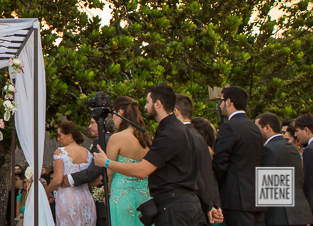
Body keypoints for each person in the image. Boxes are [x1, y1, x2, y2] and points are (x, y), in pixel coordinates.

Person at [92, 84, 209, 226]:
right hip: (187, 204)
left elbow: (142, 171)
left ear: (158, 104)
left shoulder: (170, 133)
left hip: (175, 208)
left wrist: (106, 162)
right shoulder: (180, 130)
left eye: (148, 102)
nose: (146, 107)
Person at [212, 85, 265, 226]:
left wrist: (213, 188)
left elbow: (220, 163)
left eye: (221, 101)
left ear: (229, 101)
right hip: (256, 198)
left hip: (236, 199)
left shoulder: (229, 127)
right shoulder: (255, 128)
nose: (221, 105)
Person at [255, 112, 313, 226]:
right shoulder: (292, 148)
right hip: (300, 213)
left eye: (257, 127)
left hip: (280, 216)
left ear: (267, 128)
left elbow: (267, 188)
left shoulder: (269, 149)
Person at [103, 97, 151, 226]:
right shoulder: (146, 138)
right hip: (145, 196)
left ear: (120, 112)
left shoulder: (117, 138)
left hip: (122, 196)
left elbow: (109, 172)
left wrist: (105, 192)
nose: (113, 118)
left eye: (114, 114)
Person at [174, 94, 222, 222]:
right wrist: (215, 203)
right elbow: (209, 175)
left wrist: (209, 205)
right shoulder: (199, 138)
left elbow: (198, 175)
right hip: (203, 205)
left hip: (191, 206)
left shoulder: (180, 136)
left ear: (175, 111)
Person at [45, 121, 96, 226]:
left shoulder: (61, 152)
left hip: (68, 199)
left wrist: (46, 191)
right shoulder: (87, 153)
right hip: (86, 198)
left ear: (69, 136)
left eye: (60, 135)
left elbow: (57, 180)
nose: (58, 139)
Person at [293, 113, 313, 218]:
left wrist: (307, 214)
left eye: (297, 131)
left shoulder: (310, 150)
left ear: (306, 130)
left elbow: (310, 184)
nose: (295, 135)